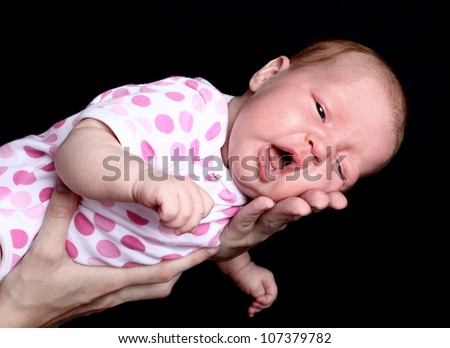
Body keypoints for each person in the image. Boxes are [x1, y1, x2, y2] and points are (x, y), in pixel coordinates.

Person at [0, 39, 407, 319]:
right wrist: (144, 181)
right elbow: (77, 151)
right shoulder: (188, 108)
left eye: (339, 167)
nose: (321, 147)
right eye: (320, 111)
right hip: (12, 207)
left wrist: (239, 266)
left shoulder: (251, 194)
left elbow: (219, 234)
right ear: (268, 75)